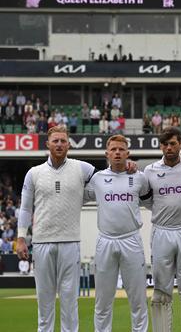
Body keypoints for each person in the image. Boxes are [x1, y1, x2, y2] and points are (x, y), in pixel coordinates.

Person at [16, 125, 96, 332]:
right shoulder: (34, 173)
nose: (59, 144)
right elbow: (25, 208)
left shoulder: (83, 168)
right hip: (42, 242)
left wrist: (127, 167)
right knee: (45, 300)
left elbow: (108, 180)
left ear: (69, 144)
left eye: (63, 141)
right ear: (48, 144)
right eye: (55, 141)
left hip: (71, 241)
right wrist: (21, 238)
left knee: (70, 300)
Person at [142, 127, 181, 332]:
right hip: (161, 231)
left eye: (173, 143)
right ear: (160, 146)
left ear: (180, 144)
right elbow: (149, 201)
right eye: (165, 144)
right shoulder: (150, 170)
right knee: (161, 291)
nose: (169, 148)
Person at [84, 135, 149, 332]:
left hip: (131, 240)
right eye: (113, 150)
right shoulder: (97, 179)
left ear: (128, 153)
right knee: (103, 301)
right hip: (106, 240)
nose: (117, 153)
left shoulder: (139, 177)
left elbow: (150, 200)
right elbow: (78, 197)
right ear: (107, 154)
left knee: (138, 300)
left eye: (121, 149)